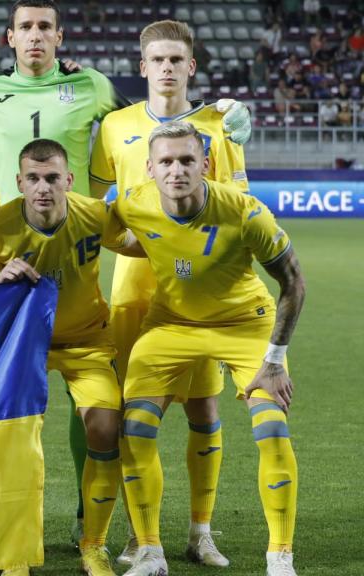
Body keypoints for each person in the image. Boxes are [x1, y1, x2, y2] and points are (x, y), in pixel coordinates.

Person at [0, 0, 253, 545]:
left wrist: (234, 121)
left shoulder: (96, 90)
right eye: (26, 27)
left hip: (97, 266)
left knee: (105, 405)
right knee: (2, 407)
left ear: (60, 37)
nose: (35, 36)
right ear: (9, 37)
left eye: (45, 26)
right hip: (7, 258)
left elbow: (125, 162)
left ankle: (92, 521)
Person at [105, 121, 305, 576]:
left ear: (206, 165)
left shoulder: (244, 211)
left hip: (244, 324)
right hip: (171, 324)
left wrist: (274, 360)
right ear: (150, 169)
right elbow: (92, 229)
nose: (177, 170)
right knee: (134, 428)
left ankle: (280, 558)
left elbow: (294, 282)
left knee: (271, 428)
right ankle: (151, 552)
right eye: (167, 162)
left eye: (187, 160)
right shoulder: (134, 204)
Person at [88, 20, 249, 568]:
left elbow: (236, 206)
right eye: (157, 60)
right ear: (142, 67)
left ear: (191, 67)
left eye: (177, 60)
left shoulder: (218, 126)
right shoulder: (114, 126)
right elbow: (97, 208)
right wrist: (144, 245)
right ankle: (140, 534)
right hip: (135, 291)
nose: (166, 69)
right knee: (140, 410)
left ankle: (200, 532)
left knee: (204, 409)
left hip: (202, 295)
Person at [0, 139, 143, 576]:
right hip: (23, 345)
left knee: (104, 426)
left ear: (68, 180)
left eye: (51, 178)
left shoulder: (93, 214)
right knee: (13, 440)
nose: (43, 187)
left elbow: (141, 242)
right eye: (33, 179)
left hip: (87, 340)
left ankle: (93, 546)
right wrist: (0, 280)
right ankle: (12, 549)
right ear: (19, 183)